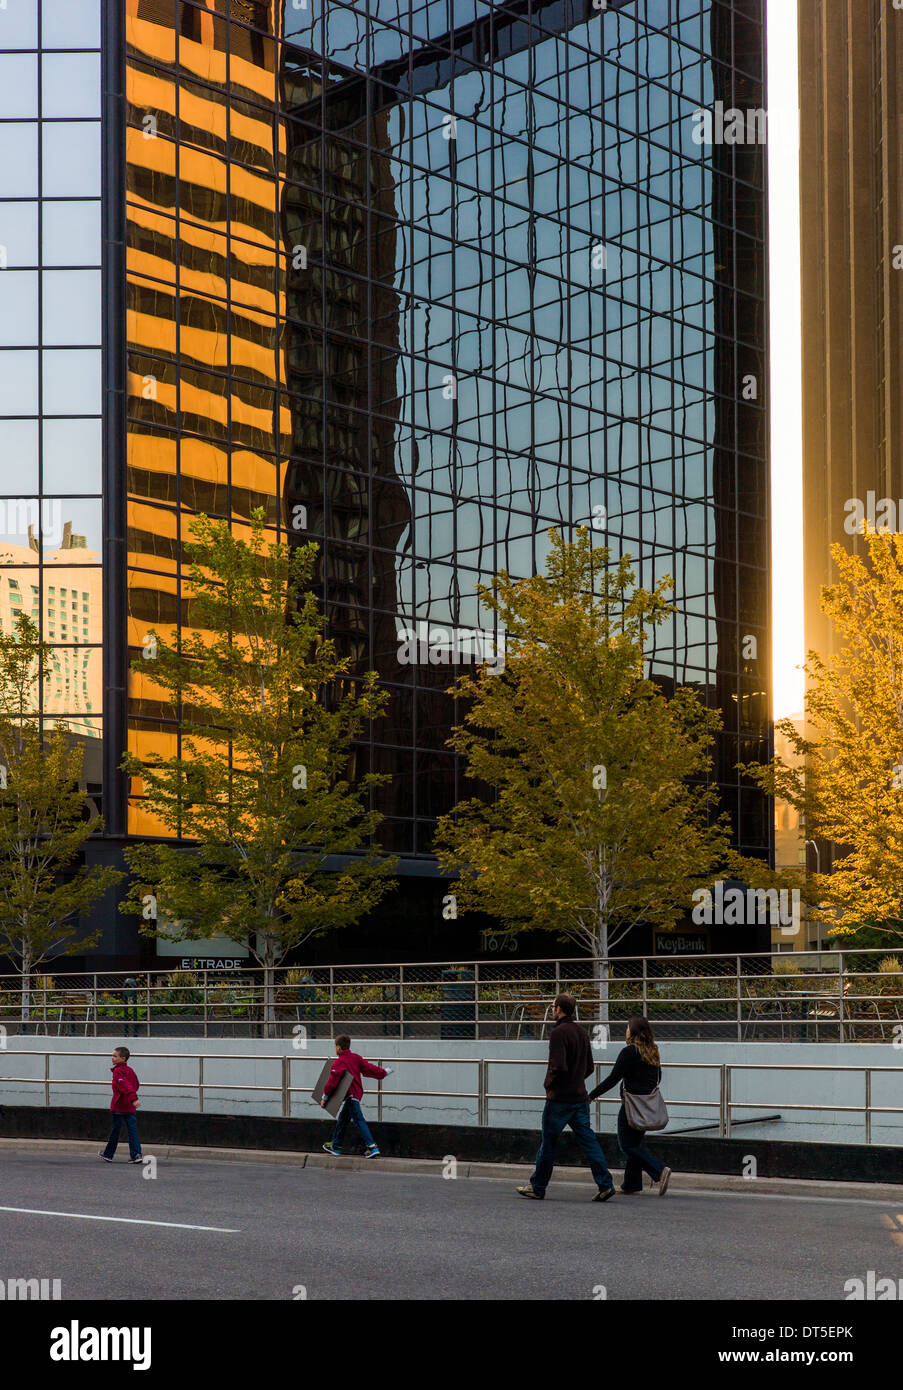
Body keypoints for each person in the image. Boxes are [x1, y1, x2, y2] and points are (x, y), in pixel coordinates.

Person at [516, 994, 615, 1202]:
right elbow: (589, 1067)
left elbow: (558, 1066)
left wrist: (548, 1084)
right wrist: (576, 1080)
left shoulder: (558, 1033)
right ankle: (605, 1184)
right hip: (580, 1097)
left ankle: (538, 1186)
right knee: (589, 1141)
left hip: (559, 1099)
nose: (551, 1010)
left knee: (549, 1143)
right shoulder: (581, 1032)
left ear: (559, 1009)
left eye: (553, 1007)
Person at [588, 1014, 672, 1196]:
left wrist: (592, 1095)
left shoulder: (629, 1052)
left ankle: (659, 1171)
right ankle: (631, 1184)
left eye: (627, 1027)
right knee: (635, 1143)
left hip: (631, 1105)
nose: (625, 1030)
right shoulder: (652, 1051)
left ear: (632, 1031)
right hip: (646, 1106)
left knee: (627, 1145)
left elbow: (613, 1078)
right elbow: (658, 1078)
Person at [321, 1034, 391, 1158]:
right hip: (355, 1095)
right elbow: (369, 1068)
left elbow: (332, 1082)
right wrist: (384, 1072)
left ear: (338, 1048)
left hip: (350, 1096)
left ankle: (372, 1147)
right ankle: (336, 1146)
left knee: (359, 1120)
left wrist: (325, 1097)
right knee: (342, 1120)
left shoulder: (339, 1062)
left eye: (335, 1046)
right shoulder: (356, 1058)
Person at [99, 1046, 142, 1164]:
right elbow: (135, 1085)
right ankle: (136, 1154)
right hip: (130, 1107)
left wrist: (133, 1098)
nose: (112, 1058)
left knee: (115, 1131)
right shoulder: (130, 1070)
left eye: (115, 1056)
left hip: (119, 1106)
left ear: (123, 1058)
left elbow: (125, 1086)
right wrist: (132, 1098)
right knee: (132, 1131)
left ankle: (108, 1154)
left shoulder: (118, 1071)